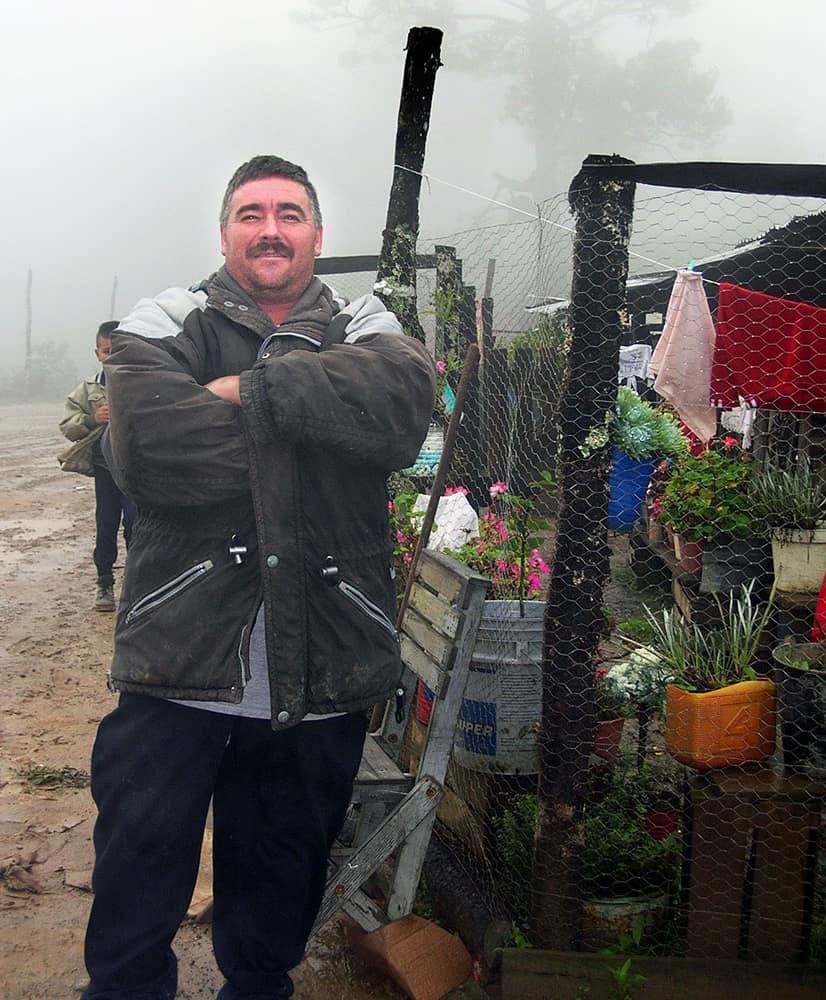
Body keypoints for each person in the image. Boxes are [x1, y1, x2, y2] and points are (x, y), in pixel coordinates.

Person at [82, 155, 435, 1000]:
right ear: (224, 232)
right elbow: (149, 446)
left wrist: (257, 391)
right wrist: (317, 435)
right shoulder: (170, 317)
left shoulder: (365, 318)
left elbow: (402, 404)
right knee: (138, 859)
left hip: (323, 657)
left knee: (280, 865)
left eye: (288, 213)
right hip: (180, 654)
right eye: (250, 213)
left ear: (316, 233)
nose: (269, 229)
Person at [59, 321, 136, 611]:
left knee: (136, 525)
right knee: (106, 526)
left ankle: (135, 583)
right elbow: (67, 425)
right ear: (97, 353)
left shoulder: (141, 383)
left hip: (134, 470)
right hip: (105, 472)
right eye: (107, 351)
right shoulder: (87, 389)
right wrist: (93, 419)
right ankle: (104, 582)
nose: (112, 355)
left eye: (118, 349)